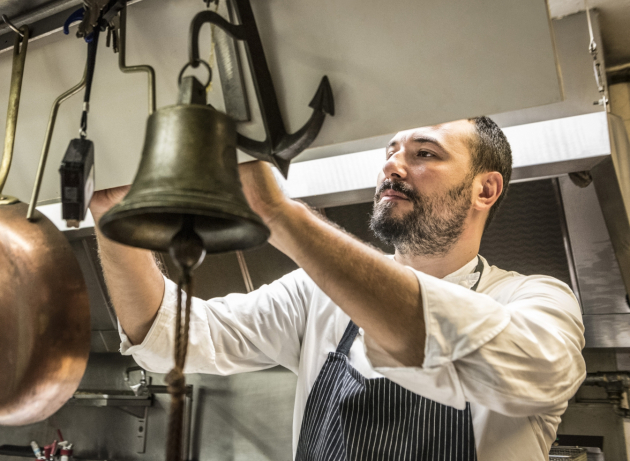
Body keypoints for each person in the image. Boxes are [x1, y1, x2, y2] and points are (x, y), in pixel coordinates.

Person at [89, 117, 585, 461]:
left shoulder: (535, 300)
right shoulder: (317, 294)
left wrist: (281, 216)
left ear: (485, 189)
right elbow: (168, 337)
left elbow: (529, 372)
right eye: (390, 152)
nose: (393, 165)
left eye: (424, 153)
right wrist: (114, 222)